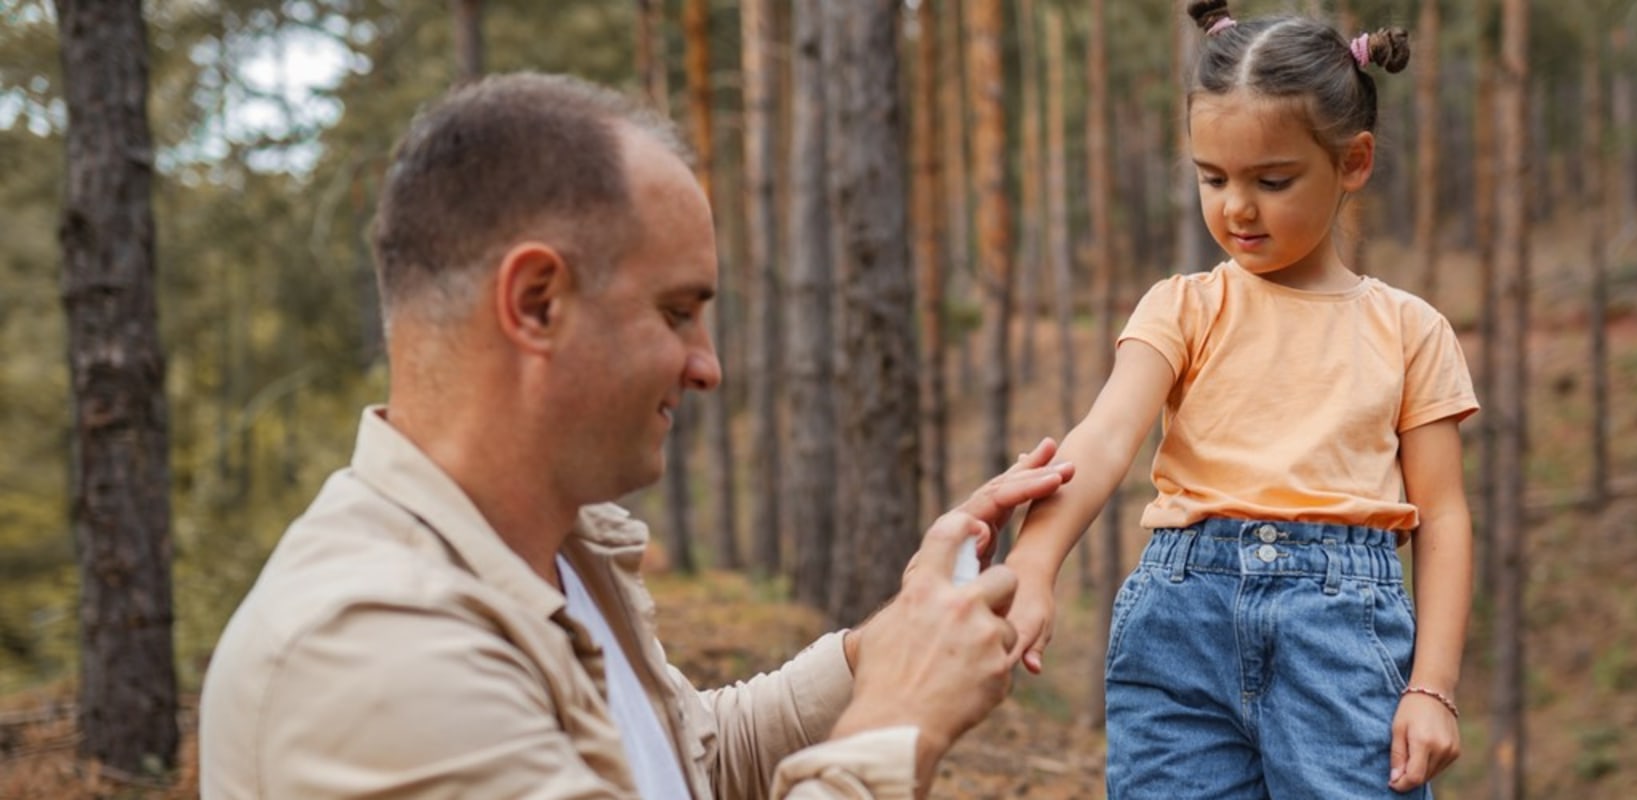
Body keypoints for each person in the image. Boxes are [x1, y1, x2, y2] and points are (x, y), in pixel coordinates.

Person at [198, 72, 1073, 799]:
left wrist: (881, 653)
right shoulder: (370, 652)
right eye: (677, 312)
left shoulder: (547, 561)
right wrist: (903, 718)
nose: (707, 366)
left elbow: (687, 764)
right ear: (536, 303)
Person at [995, 2, 1477, 796]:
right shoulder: (1182, 307)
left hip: (1342, 642)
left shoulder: (1408, 331)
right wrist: (1037, 562)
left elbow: (1445, 515)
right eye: (1211, 177)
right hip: (1180, 622)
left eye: (1272, 180)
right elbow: (1108, 434)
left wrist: (1432, 687)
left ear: (1353, 163)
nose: (1236, 208)